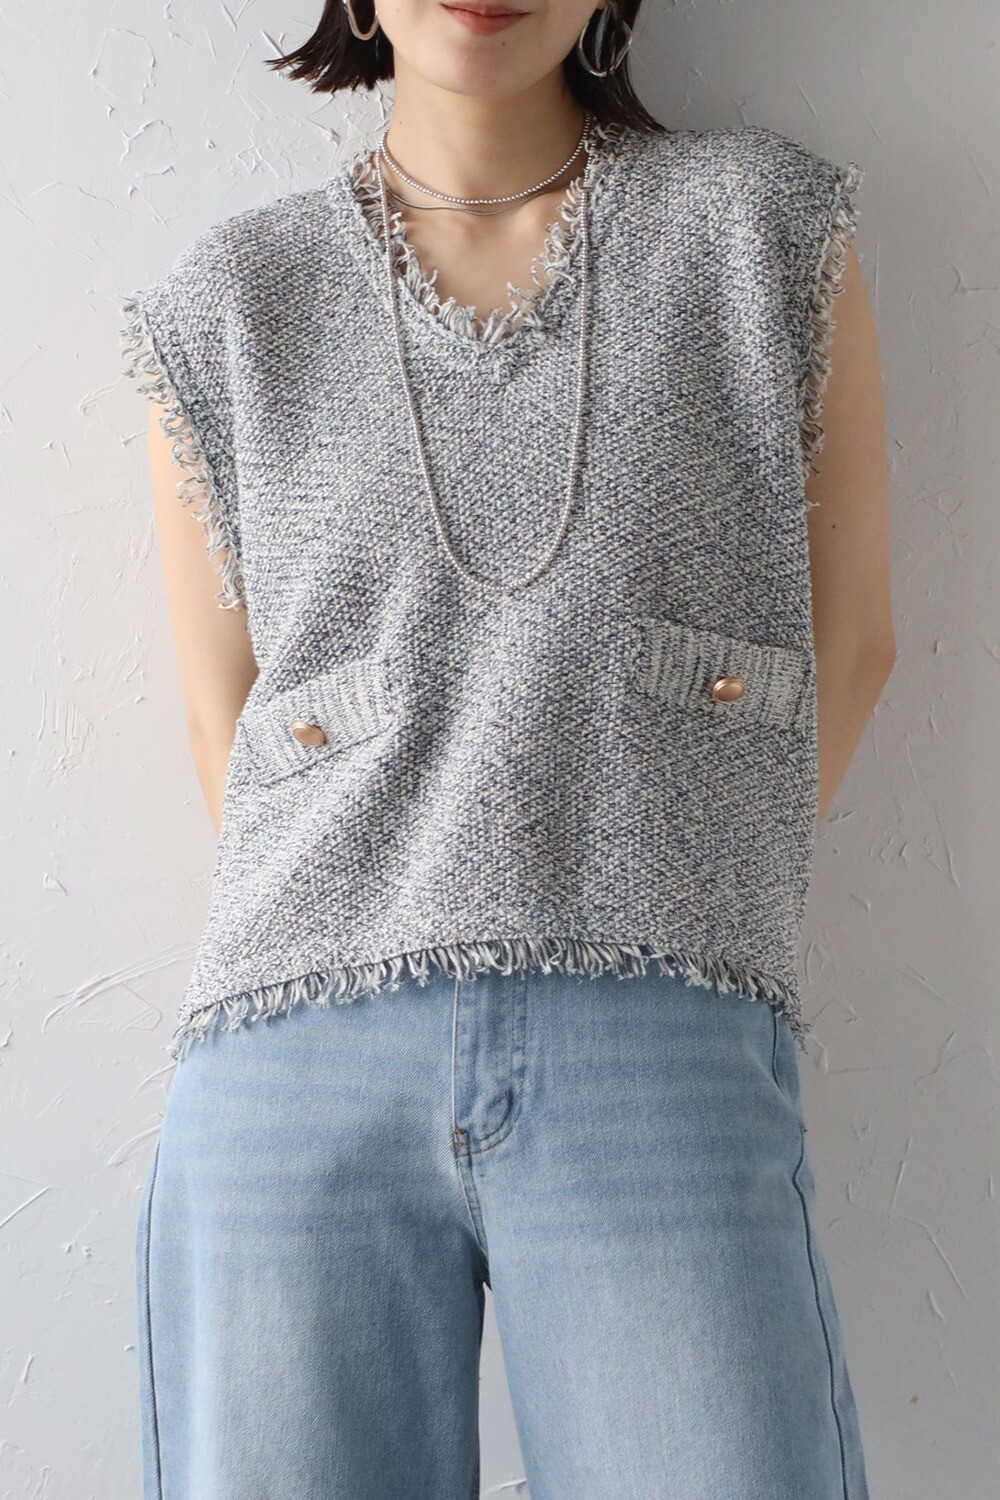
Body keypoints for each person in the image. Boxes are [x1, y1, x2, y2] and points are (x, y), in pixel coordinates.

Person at [120, 1, 894, 1495]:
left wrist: (673, 877)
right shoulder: (230, 303)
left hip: (658, 1030)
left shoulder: (761, 230)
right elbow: (233, 731)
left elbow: (853, 643)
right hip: (295, 1064)